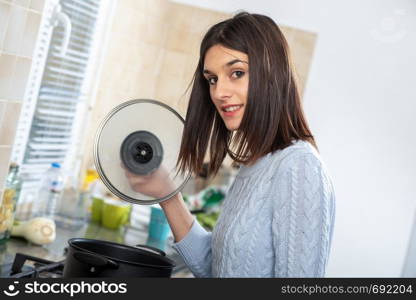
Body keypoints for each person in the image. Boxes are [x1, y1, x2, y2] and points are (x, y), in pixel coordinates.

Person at [126, 11, 335, 278]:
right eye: (212, 79)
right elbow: (216, 266)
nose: (218, 92)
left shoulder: (299, 166)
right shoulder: (256, 164)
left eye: (236, 73)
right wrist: (167, 194)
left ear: (273, 74)